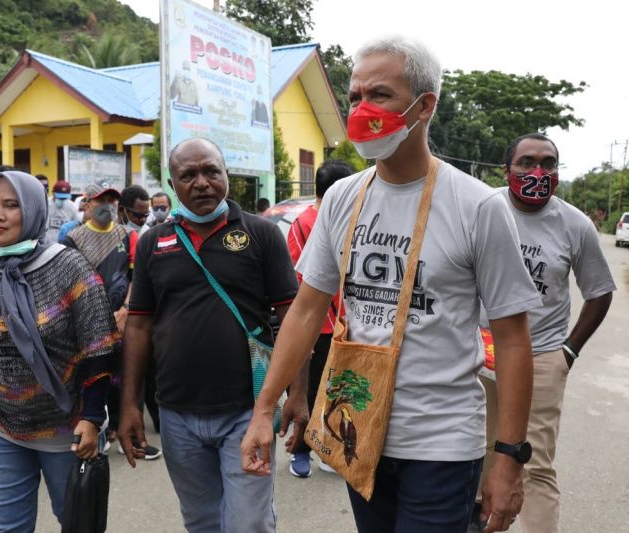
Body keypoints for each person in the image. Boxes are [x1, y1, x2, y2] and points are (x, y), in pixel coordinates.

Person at [240, 36, 542, 533]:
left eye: (379, 95)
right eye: (355, 97)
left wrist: (509, 458)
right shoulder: (342, 197)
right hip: (357, 429)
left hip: (441, 443)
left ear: (425, 106)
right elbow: (306, 309)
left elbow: (512, 340)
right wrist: (264, 409)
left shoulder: (478, 207)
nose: (361, 109)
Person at [118, 137, 303, 532]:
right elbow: (138, 325)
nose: (201, 182)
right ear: (172, 184)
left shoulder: (262, 235)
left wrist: (299, 395)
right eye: (188, 175)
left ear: (227, 177)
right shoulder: (153, 242)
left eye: (211, 172)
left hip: (248, 411)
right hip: (177, 415)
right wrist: (130, 404)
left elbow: (294, 319)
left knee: (247, 523)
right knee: (200, 522)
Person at [0, 170, 117, 531]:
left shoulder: (69, 267)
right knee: (3, 528)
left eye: (11, 205)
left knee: (78, 522)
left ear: (34, 210)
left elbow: (99, 348)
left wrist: (93, 415)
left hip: (63, 428)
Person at [472, 133, 615, 533]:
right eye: (527, 163)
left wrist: (567, 351)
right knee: (476, 453)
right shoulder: (483, 209)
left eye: (548, 163)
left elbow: (600, 292)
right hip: (478, 351)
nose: (538, 172)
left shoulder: (575, 224)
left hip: (541, 356)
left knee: (532, 463)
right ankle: (479, 521)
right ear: (507, 169)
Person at [61, 184, 160, 459]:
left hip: (124, 320)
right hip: (86, 322)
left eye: (112, 200)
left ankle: (133, 437)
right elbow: (68, 284)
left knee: (129, 375)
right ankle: (98, 433)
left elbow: (137, 278)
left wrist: (127, 310)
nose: (107, 206)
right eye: (100, 200)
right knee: (94, 375)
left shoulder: (128, 236)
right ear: (88, 205)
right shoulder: (72, 239)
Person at [286, 159, 355, 478]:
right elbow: (294, 282)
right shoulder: (304, 224)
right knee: (308, 393)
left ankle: (327, 447)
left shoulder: (350, 220)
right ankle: (300, 450)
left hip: (344, 325)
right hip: (315, 326)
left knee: (337, 392)